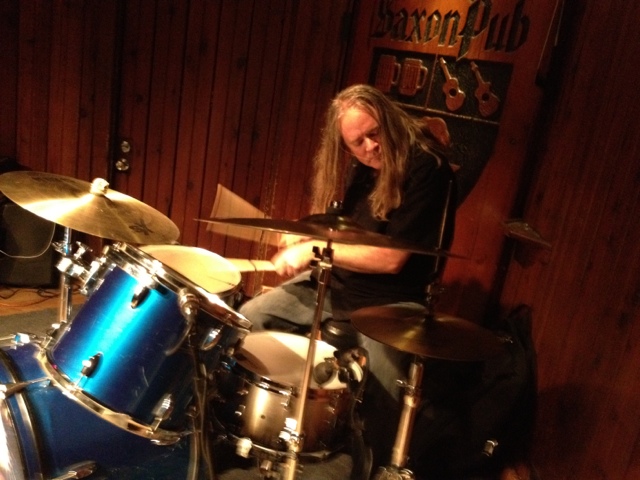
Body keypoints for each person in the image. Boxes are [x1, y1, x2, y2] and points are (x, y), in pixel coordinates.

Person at [237, 83, 457, 477]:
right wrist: (306, 233)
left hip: (391, 302)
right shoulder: (364, 166)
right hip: (338, 285)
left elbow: (390, 259)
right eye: (358, 143)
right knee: (250, 318)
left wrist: (313, 251)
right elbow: (349, 230)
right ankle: (258, 432)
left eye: (375, 133)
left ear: (389, 119)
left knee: (383, 396)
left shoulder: (427, 168)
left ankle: (371, 468)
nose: (371, 147)